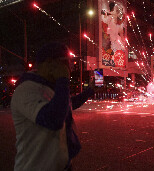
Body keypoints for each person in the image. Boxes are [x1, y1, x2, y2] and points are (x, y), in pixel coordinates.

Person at [11, 42, 94, 171]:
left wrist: (89, 92)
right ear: (50, 63)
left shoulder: (49, 86)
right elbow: (53, 119)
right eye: (66, 63)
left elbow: (67, 105)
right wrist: (63, 80)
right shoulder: (27, 89)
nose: (70, 68)